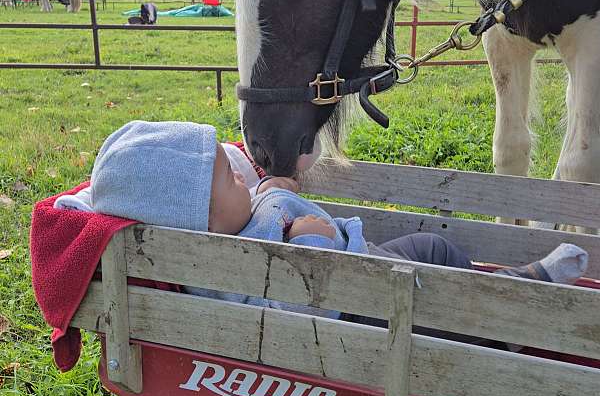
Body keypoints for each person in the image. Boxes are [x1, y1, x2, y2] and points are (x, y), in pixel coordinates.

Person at [84, 121, 588, 316]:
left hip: (368, 265)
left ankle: (499, 289)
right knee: (444, 302)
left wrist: (265, 190)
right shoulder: (224, 267)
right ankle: (519, 297)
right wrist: (314, 249)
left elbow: (251, 206)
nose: (241, 174)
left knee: (435, 250)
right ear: (203, 221)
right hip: (368, 307)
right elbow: (284, 317)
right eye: (230, 177)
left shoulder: (234, 220)